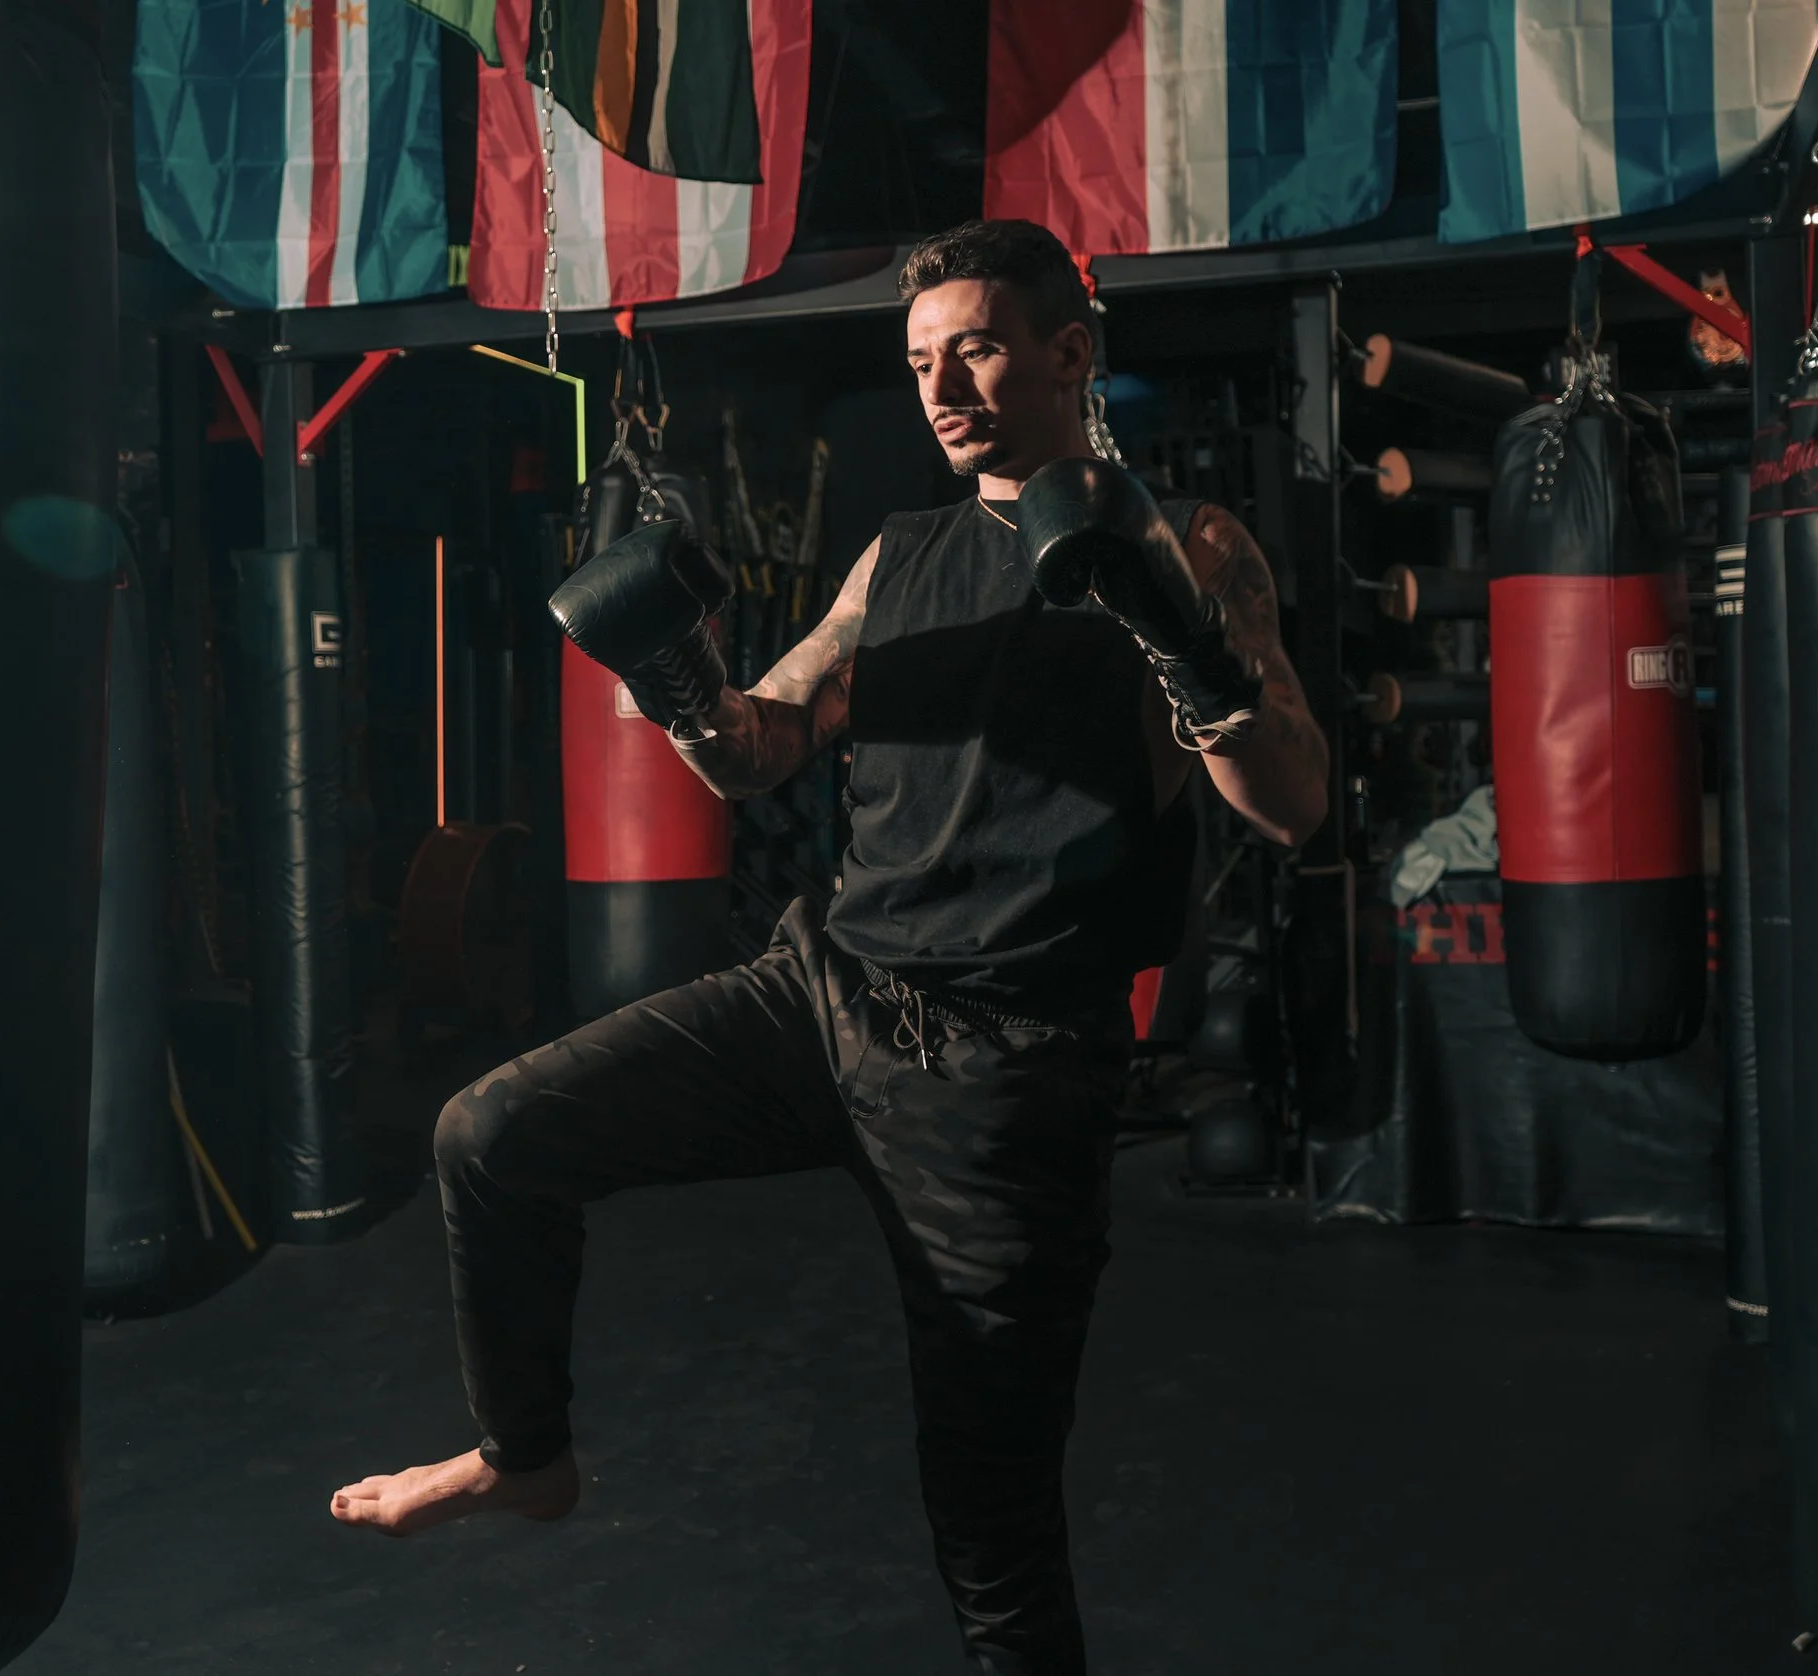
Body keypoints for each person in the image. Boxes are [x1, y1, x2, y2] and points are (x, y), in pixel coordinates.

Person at [331, 219, 1329, 1673]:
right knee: (491, 1130)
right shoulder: (896, 557)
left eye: (977, 350)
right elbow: (757, 747)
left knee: (992, 1535)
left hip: (1009, 1080)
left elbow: (1293, 802)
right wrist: (677, 678)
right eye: (922, 362)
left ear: (1067, 353)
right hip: (826, 996)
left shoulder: (1195, 548)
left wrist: (1186, 647)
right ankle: (521, 1457)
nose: (945, 388)